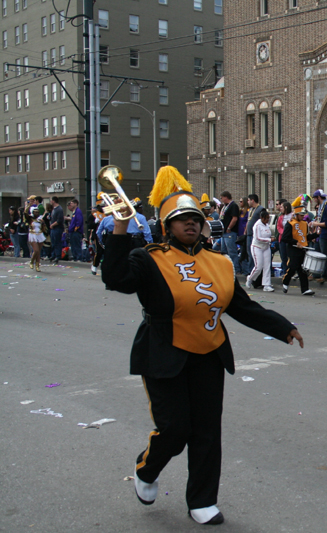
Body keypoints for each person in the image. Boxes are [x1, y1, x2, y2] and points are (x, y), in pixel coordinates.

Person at [102, 166, 303, 525]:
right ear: (168, 226)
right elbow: (116, 279)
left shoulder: (220, 263)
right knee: (175, 429)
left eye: (195, 218)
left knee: (207, 431)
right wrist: (119, 226)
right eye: (181, 220)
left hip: (209, 354)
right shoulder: (148, 258)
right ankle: (147, 470)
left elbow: (241, 306)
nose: (190, 224)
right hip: (164, 352)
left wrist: (283, 328)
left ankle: (202, 500)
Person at [280, 196, 316, 296]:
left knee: (303, 270)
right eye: (301, 215)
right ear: (296, 214)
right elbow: (285, 238)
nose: (303, 217)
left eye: (303, 215)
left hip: (303, 249)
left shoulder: (305, 224)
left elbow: (306, 237)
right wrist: (296, 243)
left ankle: (305, 289)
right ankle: (285, 282)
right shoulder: (290, 224)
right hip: (293, 249)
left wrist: (316, 234)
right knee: (292, 267)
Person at [246, 209, 274, 292]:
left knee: (267, 266)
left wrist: (270, 240)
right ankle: (250, 278)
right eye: (266, 218)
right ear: (261, 218)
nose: (267, 220)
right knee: (258, 266)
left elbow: (268, 233)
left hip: (266, 247)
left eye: (268, 218)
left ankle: (266, 284)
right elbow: (258, 238)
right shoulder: (257, 225)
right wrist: (269, 240)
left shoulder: (266, 225)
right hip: (257, 247)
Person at [310, 189, 327, 282]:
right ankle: (317, 273)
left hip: (326, 234)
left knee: (325, 255)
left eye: (315, 198)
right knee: (318, 254)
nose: (314, 200)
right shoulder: (322, 206)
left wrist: (316, 224)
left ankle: (325, 275)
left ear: (319, 197)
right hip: (320, 234)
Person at [218, 192, 243, 274]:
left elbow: (234, 218)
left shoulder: (233, 206)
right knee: (224, 251)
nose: (221, 200)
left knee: (232, 251)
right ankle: (226, 268)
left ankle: (236, 269)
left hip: (230, 232)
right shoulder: (225, 206)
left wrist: (229, 227)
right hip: (223, 232)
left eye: (222, 198)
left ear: (226, 197)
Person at [245, 194, 265, 278]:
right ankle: (251, 272)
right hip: (249, 235)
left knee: (254, 256)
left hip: (255, 236)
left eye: (248, 200)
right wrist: (245, 230)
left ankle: (256, 275)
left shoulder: (260, 209)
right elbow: (248, 221)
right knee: (249, 254)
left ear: (252, 200)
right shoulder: (251, 209)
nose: (248, 202)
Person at [25, 205, 45, 271]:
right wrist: (29, 205)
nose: (37, 213)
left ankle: (37, 265)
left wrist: (43, 223)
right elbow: (25, 213)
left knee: (38, 252)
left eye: (38, 212)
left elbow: (43, 228)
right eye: (35, 212)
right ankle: (31, 261)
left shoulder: (40, 218)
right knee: (36, 250)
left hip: (39, 235)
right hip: (32, 235)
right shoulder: (30, 219)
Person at [48, 196, 64, 263]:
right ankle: (53, 255)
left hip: (57, 228)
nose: (50, 202)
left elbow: (59, 220)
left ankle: (58, 255)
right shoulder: (54, 209)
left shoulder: (59, 209)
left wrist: (52, 225)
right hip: (53, 229)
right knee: (53, 242)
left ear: (54, 201)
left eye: (51, 200)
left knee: (57, 242)